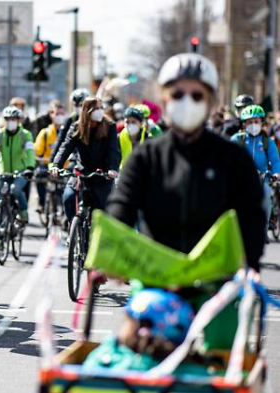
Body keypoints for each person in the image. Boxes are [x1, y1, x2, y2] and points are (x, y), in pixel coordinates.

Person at [107, 53, 265, 350]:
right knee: (138, 347)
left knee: (221, 354)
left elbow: (251, 214)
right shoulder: (147, 156)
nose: (186, 101)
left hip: (217, 278)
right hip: (155, 275)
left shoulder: (233, 158)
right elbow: (121, 206)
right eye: (178, 94)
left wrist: (251, 263)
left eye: (196, 94)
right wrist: (110, 255)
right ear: (164, 100)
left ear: (210, 101)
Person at [83, 289, 201, 374]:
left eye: (128, 321)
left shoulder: (105, 360)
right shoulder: (197, 374)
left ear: (142, 329)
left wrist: (111, 345)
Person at [50, 97, 121, 224]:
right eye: (96, 108)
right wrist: (56, 165)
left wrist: (112, 169)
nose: (100, 111)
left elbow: (114, 151)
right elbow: (65, 147)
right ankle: (74, 229)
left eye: (101, 108)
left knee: (101, 214)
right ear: (87, 111)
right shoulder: (76, 127)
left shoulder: (110, 126)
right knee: (68, 198)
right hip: (81, 175)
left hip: (102, 177)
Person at [0, 106, 36, 222]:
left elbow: (30, 152)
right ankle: (0, 232)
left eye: (13, 119)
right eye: (8, 119)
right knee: (0, 198)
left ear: (18, 120)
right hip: (2, 171)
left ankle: (23, 211)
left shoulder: (25, 134)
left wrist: (30, 167)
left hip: (21, 172)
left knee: (16, 189)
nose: (10, 122)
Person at [230, 105, 280, 229]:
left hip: (263, 178)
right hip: (241, 177)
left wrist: (276, 173)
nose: (253, 124)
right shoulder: (237, 139)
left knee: (267, 193)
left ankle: (265, 225)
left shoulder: (267, 141)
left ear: (262, 122)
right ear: (244, 124)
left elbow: (275, 161)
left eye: (256, 121)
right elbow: (227, 156)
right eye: (249, 122)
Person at [34, 101, 68, 214]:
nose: (59, 116)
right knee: (39, 175)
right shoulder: (45, 132)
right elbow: (37, 150)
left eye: (61, 113)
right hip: (48, 166)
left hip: (66, 168)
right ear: (50, 115)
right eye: (56, 113)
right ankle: (42, 203)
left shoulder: (70, 132)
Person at [49, 88, 90, 164]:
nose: (78, 108)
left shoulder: (93, 119)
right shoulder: (71, 119)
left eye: (81, 105)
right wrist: (53, 162)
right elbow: (61, 141)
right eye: (75, 105)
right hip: (75, 159)